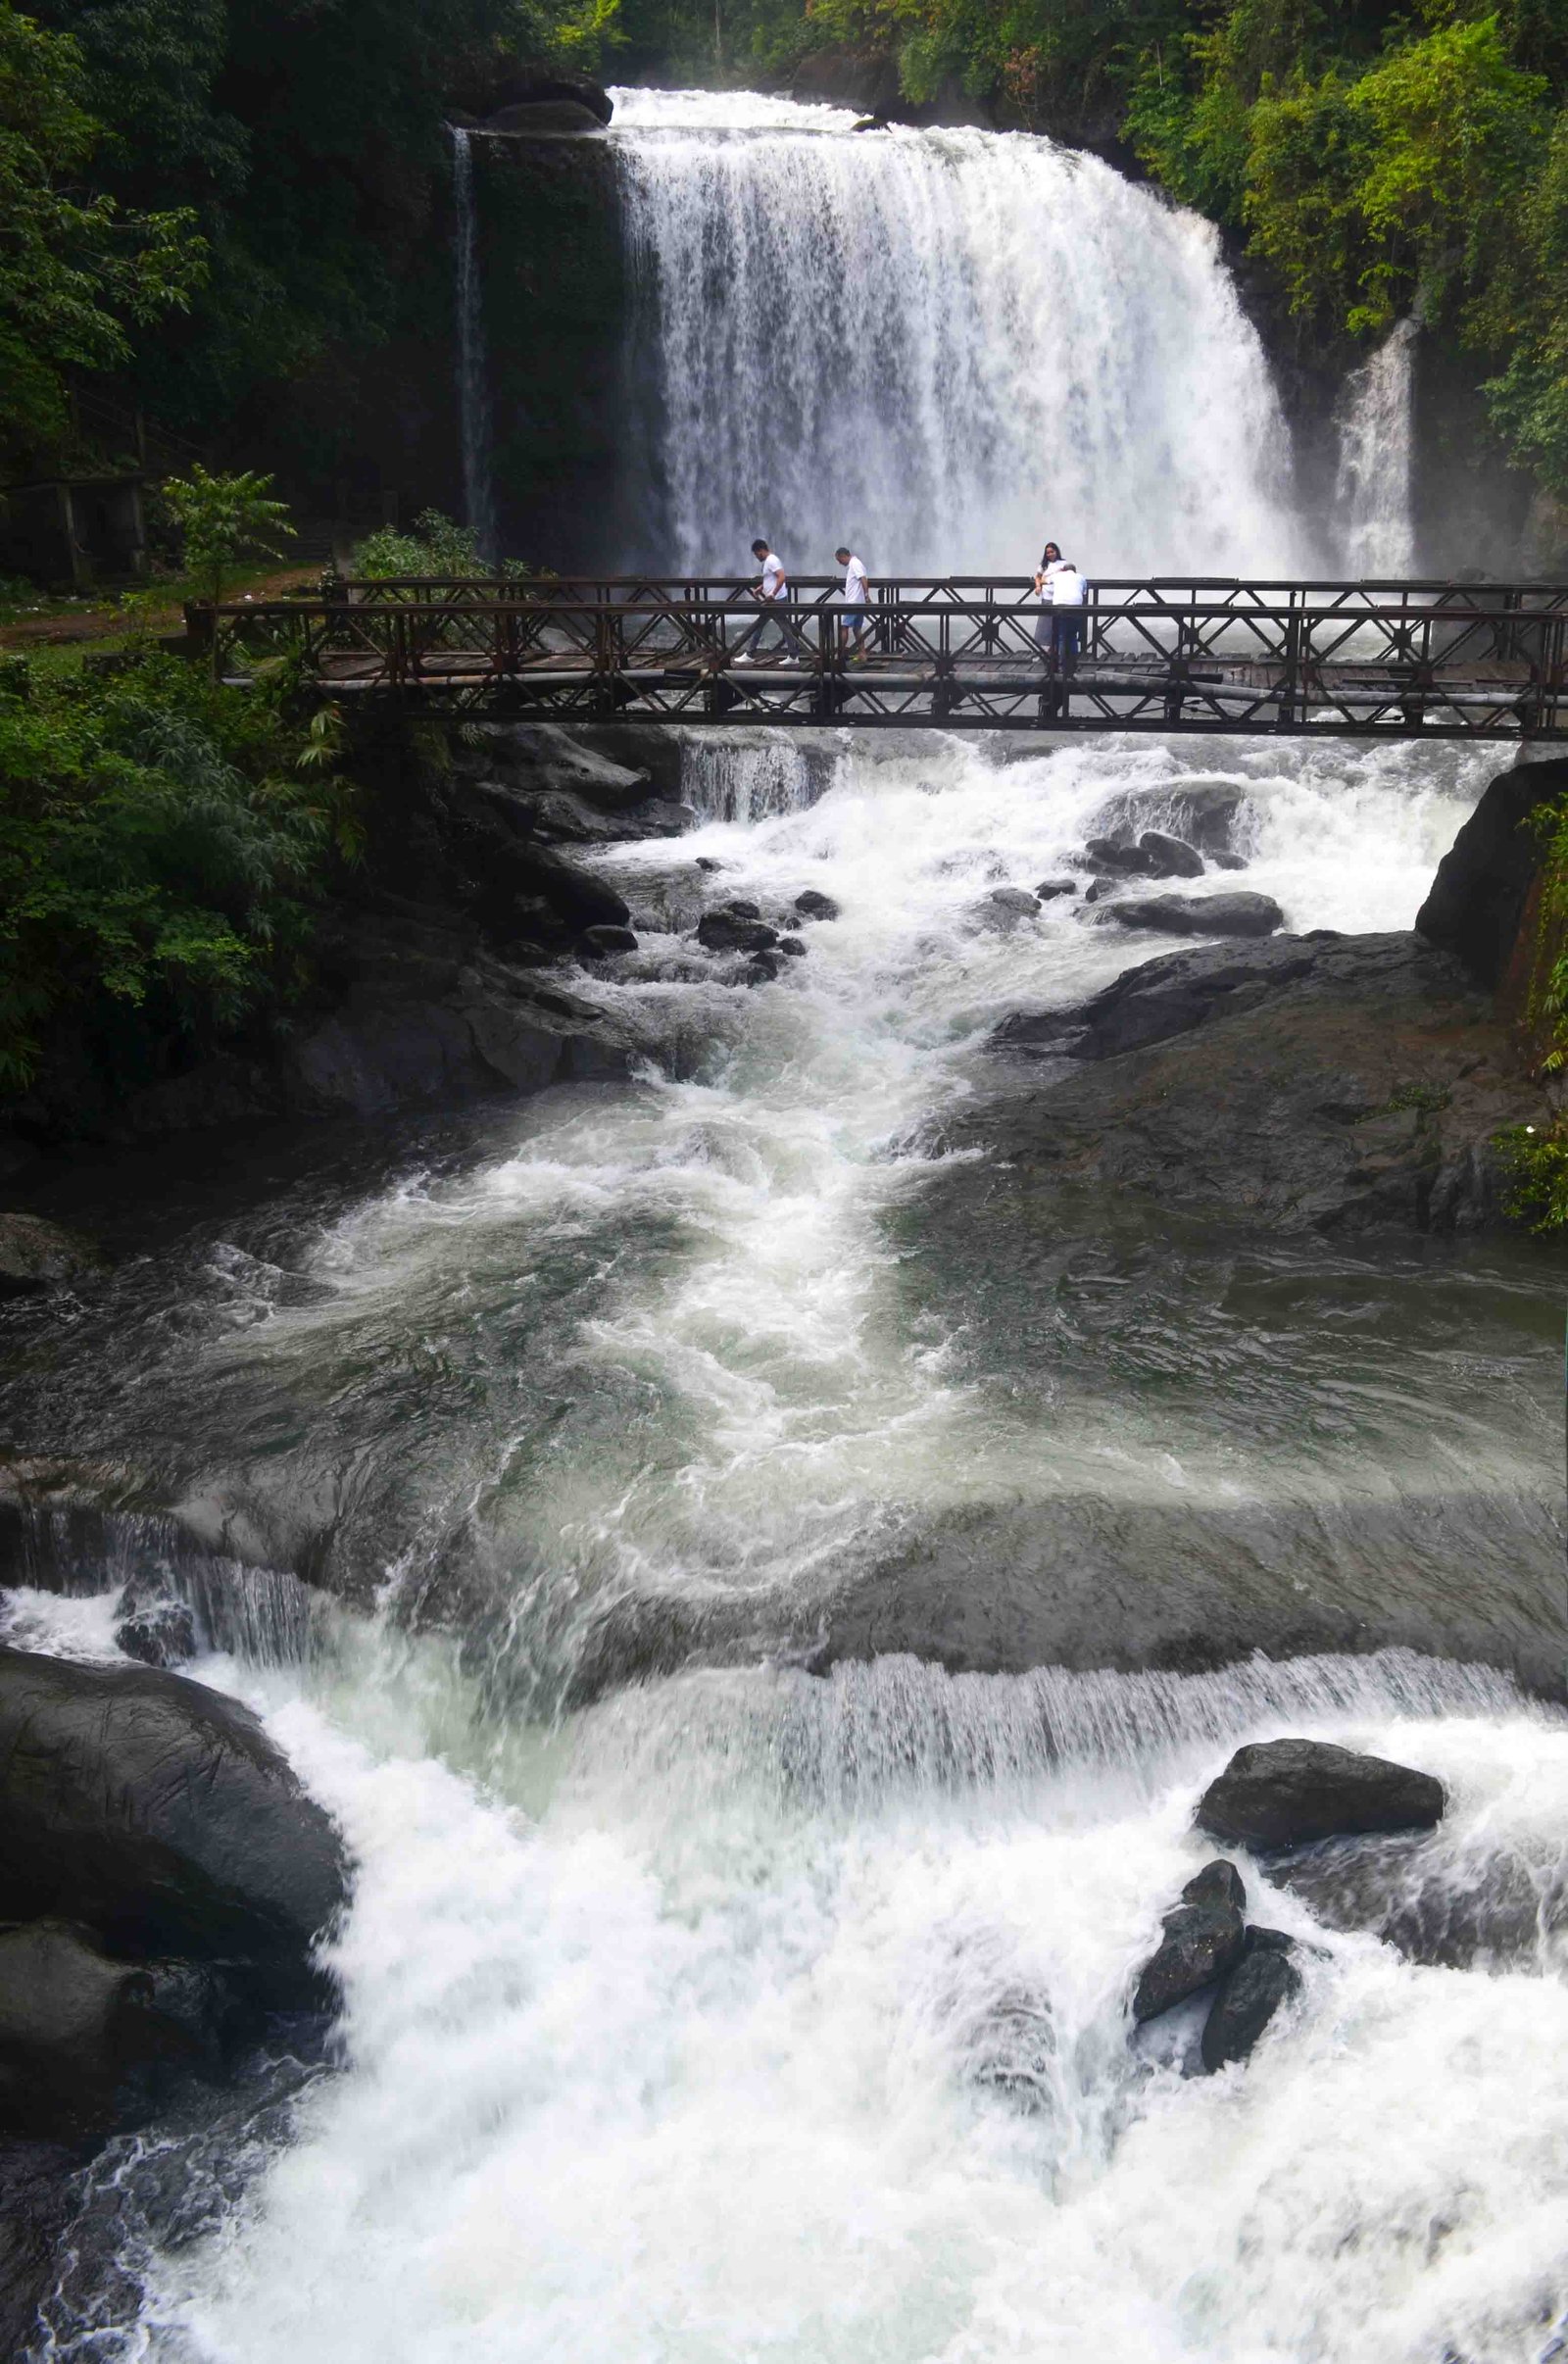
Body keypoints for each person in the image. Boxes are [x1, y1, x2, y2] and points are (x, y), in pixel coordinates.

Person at [735, 537, 803, 666]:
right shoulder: (769, 561)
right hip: (773, 600)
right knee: (765, 625)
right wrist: (761, 588)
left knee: (780, 627)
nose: (756, 557)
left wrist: (772, 593)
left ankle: (751, 654)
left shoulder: (772, 560)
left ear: (760, 550)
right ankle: (750, 653)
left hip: (776, 600)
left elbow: (782, 576)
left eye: (756, 554)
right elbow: (771, 579)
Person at [836, 544, 871, 660]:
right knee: (857, 629)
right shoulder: (854, 564)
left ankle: (840, 654)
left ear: (843, 556)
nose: (839, 563)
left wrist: (866, 595)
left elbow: (863, 579)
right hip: (857, 602)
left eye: (839, 560)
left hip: (854, 603)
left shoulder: (855, 563)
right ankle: (862, 654)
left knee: (844, 627)